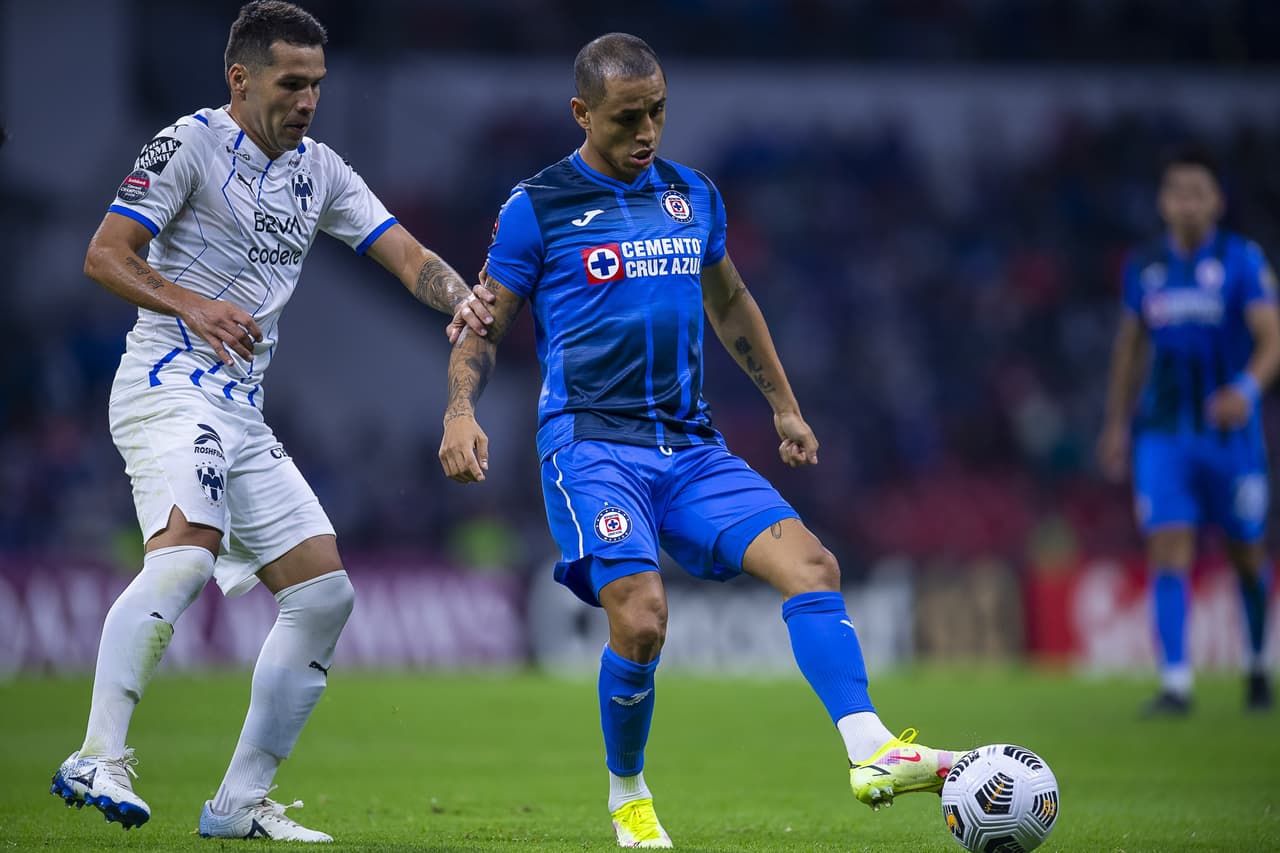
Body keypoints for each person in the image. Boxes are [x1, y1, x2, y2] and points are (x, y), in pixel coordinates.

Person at [439, 32, 961, 849]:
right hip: (591, 445)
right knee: (642, 619)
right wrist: (460, 412)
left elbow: (732, 301)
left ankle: (871, 749)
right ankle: (629, 792)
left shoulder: (693, 195)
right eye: (626, 118)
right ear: (581, 113)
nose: (647, 132)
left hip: (690, 446)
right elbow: (484, 324)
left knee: (813, 564)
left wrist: (784, 405)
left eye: (658, 113)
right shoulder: (534, 206)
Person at [49, 1, 491, 842]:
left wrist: (461, 296)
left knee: (323, 595)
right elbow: (104, 254)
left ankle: (237, 805)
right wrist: (194, 304)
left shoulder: (319, 169)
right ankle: (96, 754)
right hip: (168, 381)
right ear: (240, 78)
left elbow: (404, 253)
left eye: (318, 85)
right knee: (182, 562)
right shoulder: (186, 145)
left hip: (240, 408)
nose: (308, 101)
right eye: (292, 83)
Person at [1098, 146, 1280, 716]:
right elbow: (1129, 348)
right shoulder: (1146, 265)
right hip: (1163, 432)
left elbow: (1271, 340)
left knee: (1246, 552)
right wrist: (1116, 425)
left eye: (1198, 193)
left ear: (1217, 202)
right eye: (1178, 193)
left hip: (1230, 436)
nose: (1187, 203)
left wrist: (1246, 391)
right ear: (1163, 203)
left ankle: (1256, 667)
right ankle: (1177, 683)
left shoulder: (1242, 260)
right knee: (1168, 545)